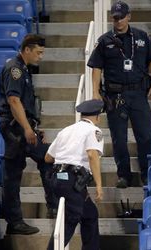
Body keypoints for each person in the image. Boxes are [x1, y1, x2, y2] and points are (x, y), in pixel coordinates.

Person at [87, 0, 151, 188]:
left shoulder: (141, 37)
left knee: (145, 136)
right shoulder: (105, 41)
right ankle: (124, 175)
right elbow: (96, 68)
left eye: (121, 17)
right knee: (118, 138)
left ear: (129, 16)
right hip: (115, 96)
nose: (118, 21)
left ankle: (146, 173)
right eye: (115, 18)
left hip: (138, 93)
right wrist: (95, 91)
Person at [0, 34, 54, 235]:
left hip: (21, 127)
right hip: (16, 129)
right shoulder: (15, 70)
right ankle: (17, 220)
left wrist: (34, 126)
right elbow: (14, 101)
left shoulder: (23, 70)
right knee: (16, 173)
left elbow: (24, 104)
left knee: (39, 162)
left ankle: (19, 219)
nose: (41, 57)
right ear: (27, 50)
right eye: (38, 52)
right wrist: (28, 129)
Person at [45, 99, 104, 250]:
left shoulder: (66, 130)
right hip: (72, 180)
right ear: (98, 116)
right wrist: (99, 185)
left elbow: (48, 158)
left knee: (90, 214)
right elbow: (92, 155)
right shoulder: (93, 131)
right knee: (70, 220)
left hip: (58, 179)